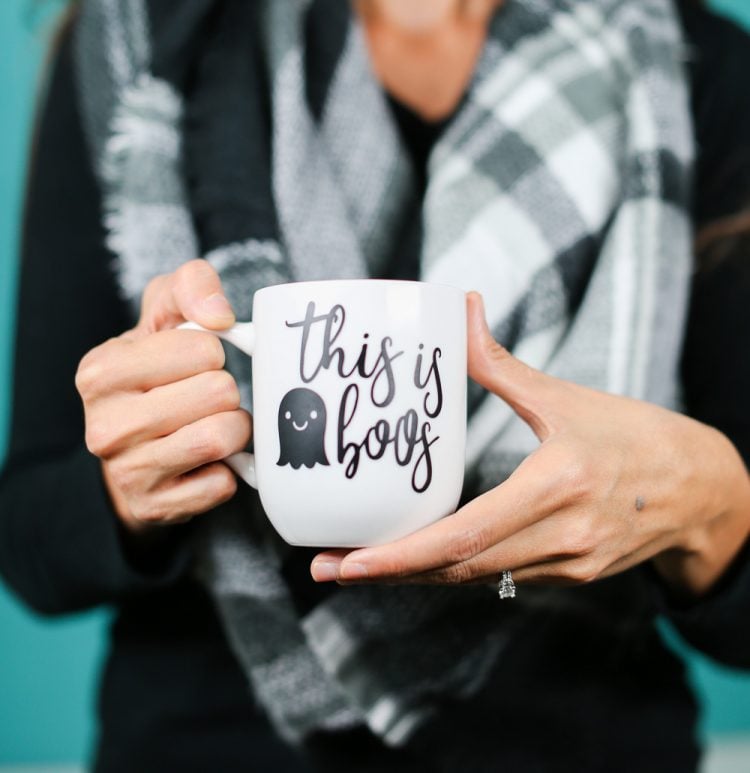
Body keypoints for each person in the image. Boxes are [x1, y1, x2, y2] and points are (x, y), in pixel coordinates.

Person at [0, 0, 748, 771]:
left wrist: (710, 500)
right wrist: (135, 484)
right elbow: (29, 542)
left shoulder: (689, 68)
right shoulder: (145, 46)